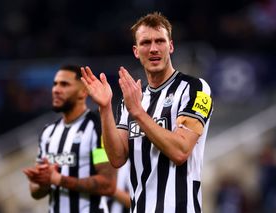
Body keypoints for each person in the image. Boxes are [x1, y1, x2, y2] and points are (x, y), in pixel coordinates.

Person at [81, 12, 214, 212]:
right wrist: (105, 108)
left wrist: (139, 114)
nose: (153, 49)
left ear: (171, 46)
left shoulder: (195, 89)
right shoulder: (130, 101)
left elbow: (180, 151)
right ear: (136, 51)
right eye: (145, 43)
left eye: (160, 41)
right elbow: (117, 158)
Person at [23, 65, 116, 213]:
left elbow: (108, 185)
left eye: (64, 84)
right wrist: (43, 182)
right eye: (55, 84)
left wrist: (59, 179)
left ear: (83, 92)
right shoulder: (48, 133)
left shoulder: (97, 128)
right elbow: (34, 191)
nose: (56, 90)